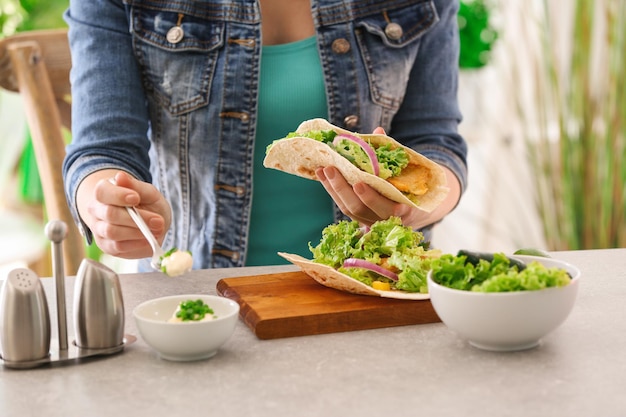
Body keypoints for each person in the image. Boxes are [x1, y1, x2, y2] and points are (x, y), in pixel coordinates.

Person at [62, 0, 468, 271]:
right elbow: (102, 150)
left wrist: (414, 208)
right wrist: (108, 207)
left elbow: (435, 142)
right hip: (198, 305)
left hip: (376, 292)